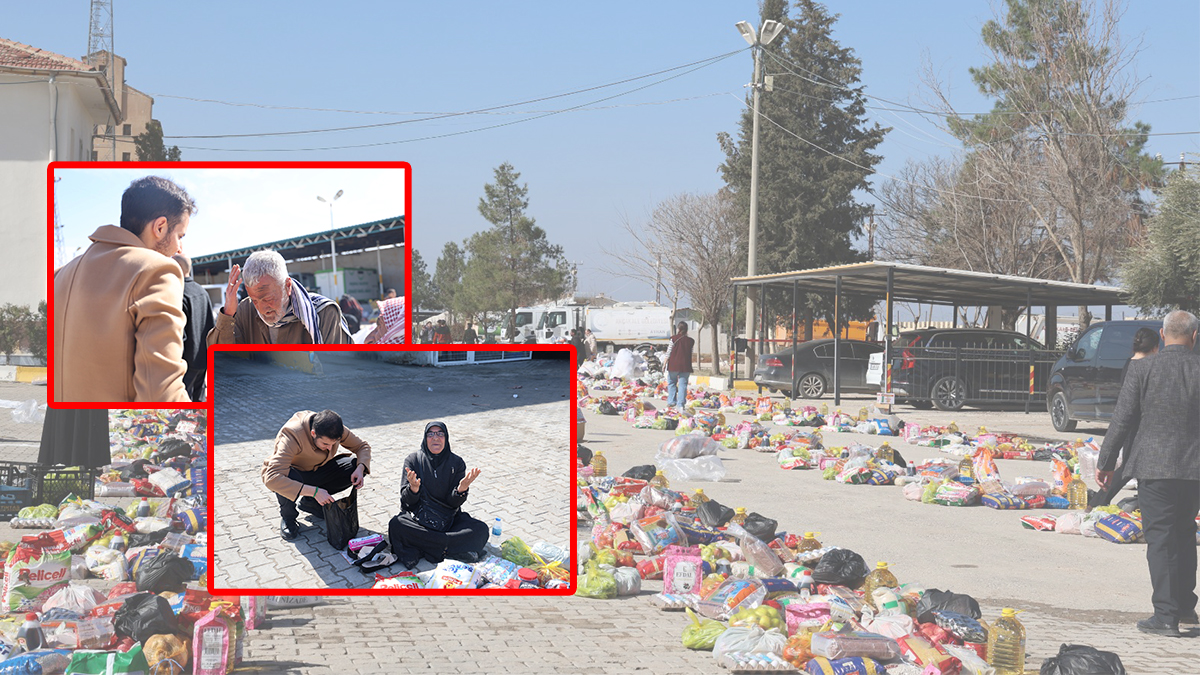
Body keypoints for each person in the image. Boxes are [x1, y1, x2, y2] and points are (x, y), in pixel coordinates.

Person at [1097, 310, 1200, 637]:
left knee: (1160, 539)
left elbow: (1122, 419)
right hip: (1195, 470)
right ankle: (1185, 607)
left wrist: (1106, 462)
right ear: (1195, 337)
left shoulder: (1141, 368)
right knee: (1184, 534)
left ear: (1162, 334)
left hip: (1154, 469)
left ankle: (1165, 616)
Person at [53, 176, 193, 402]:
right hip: (114, 433)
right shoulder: (157, 271)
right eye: (180, 236)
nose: (179, 247)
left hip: (60, 432)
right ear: (160, 227)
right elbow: (160, 394)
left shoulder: (61, 274)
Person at [389, 422, 489, 568]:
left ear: (446, 438)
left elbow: (453, 503)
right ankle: (449, 548)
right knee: (396, 525)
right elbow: (407, 502)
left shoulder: (457, 462)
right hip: (421, 520)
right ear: (425, 438)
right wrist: (414, 489)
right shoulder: (413, 460)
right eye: (431, 434)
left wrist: (461, 490)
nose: (435, 438)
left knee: (481, 530)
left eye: (440, 434)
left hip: (448, 520)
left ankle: (428, 546)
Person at [262, 410, 371, 541]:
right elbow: (272, 477)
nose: (330, 448)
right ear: (313, 433)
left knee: (353, 465)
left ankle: (311, 503)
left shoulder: (335, 427)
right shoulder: (292, 434)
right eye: (325, 444)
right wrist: (314, 491)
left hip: (318, 469)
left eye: (333, 444)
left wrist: (360, 468)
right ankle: (288, 518)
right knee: (284, 476)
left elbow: (362, 446)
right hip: (297, 474)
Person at [207, 250, 351, 346]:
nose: (262, 309)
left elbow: (339, 371)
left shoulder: (324, 314)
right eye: (255, 300)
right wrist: (228, 314)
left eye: (268, 298)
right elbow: (221, 361)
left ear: (287, 286)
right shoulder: (246, 310)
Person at [1090, 327, 1160, 509]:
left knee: (1130, 465)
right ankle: (1099, 500)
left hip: (1130, 422)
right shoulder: (1145, 368)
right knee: (1129, 466)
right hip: (1138, 423)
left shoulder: (1129, 363)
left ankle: (1099, 500)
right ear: (1155, 347)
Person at [173, 254, 215, 402]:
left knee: (185, 404)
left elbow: (179, 334)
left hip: (187, 362)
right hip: (203, 360)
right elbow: (211, 325)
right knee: (200, 401)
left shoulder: (179, 293)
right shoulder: (202, 292)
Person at [665, 321, 695, 410]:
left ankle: (671, 401)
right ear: (687, 330)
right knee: (683, 385)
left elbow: (668, 352)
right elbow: (691, 353)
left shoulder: (673, 339)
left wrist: (664, 363)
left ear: (678, 329)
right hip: (686, 366)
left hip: (673, 365)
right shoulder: (691, 341)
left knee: (671, 383)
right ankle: (680, 404)